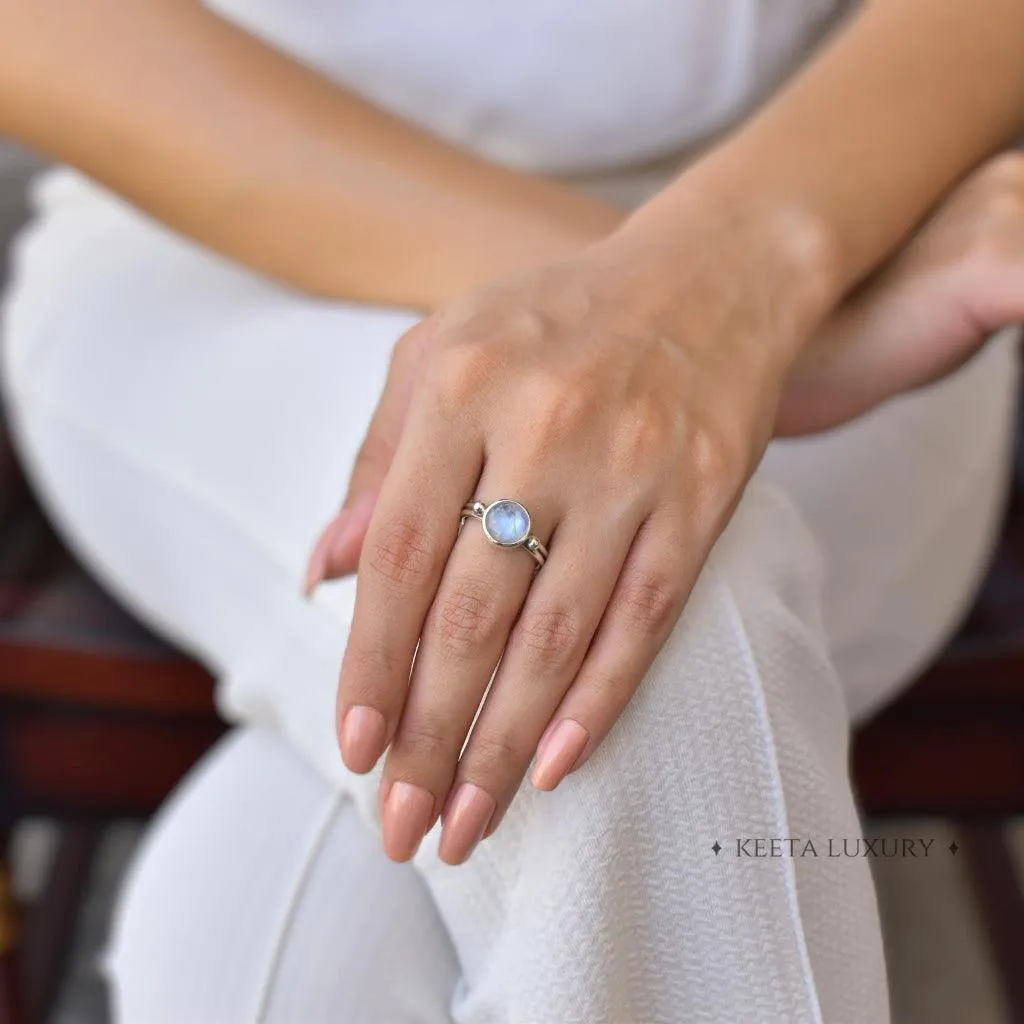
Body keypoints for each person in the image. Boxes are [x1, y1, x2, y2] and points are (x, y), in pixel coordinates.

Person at [1, 0, 1022, 1019]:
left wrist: (743, 275)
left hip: (822, 195)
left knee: (616, 629)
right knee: (606, 615)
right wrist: (686, 305)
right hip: (207, 226)